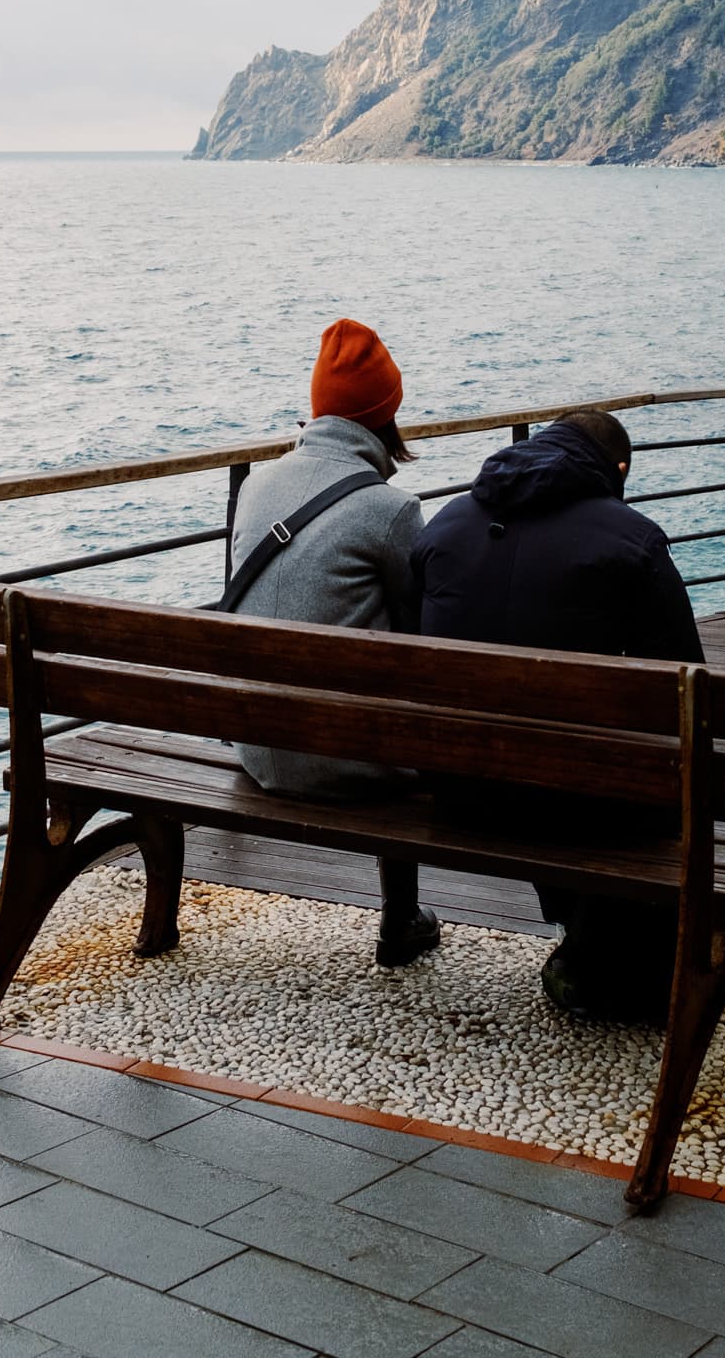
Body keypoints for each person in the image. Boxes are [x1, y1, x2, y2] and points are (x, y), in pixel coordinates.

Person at [410, 407, 703, 1019]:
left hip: (457, 789)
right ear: (615, 469)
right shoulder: (634, 540)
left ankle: (589, 943)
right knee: (638, 773)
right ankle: (602, 956)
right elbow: (690, 684)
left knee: (560, 756)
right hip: (575, 804)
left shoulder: (443, 527)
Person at [222, 317, 437, 966]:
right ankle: (399, 916)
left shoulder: (256, 485)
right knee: (403, 698)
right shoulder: (389, 509)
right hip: (348, 765)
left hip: (257, 748)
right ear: (387, 413)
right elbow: (416, 637)